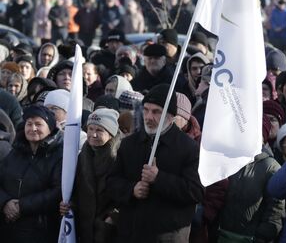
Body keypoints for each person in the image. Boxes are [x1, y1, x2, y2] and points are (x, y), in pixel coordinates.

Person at [107, 84, 204, 242]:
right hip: (130, 234)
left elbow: (195, 192)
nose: (149, 117)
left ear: (171, 115)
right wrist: (132, 189)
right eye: (146, 110)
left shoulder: (189, 148)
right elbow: (111, 183)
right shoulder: (129, 144)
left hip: (167, 236)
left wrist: (159, 178)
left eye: (156, 112)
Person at [0, 105, 63, 242]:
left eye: (38, 124)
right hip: (8, 227)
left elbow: (58, 191)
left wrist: (22, 206)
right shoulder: (15, 151)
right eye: (29, 124)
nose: (33, 128)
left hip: (40, 229)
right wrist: (5, 202)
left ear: (50, 127)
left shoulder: (59, 155)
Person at [59, 108, 121, 243]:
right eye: (90, 129)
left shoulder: (121, 157)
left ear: (111, 133)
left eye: (99, 130)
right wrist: (69, 204)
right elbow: (76, 187)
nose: (93, 134)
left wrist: (112, 217)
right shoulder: (83, 155)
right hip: (84, 227)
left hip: (109, 230)